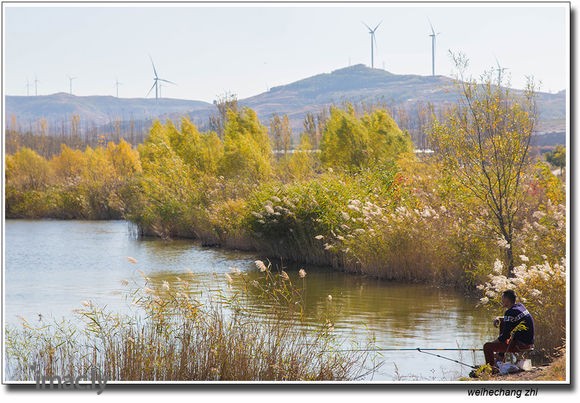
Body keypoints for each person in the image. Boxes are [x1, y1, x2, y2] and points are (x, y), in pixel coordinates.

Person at [483, 290, 535, 370]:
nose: (501, 300)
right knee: (503, 323)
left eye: (502, 298)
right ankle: (500, 356)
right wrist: (499, 318)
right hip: (529, 342)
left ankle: (490, 370)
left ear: (507, 300)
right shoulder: (520, 306)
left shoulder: (510, 312)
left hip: (521, 344)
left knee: (487, 347)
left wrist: (492, 343)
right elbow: (511, 319)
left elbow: (505, 336)